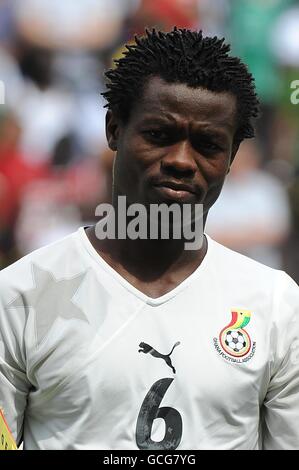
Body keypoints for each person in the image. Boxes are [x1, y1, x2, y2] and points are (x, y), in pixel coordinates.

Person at [0, 28, 298, 450]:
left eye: (208, 144)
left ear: (231, 158)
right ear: (114, 130)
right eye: (159, 134)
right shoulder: (20, 295)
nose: (180, 160)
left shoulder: (275, 306)